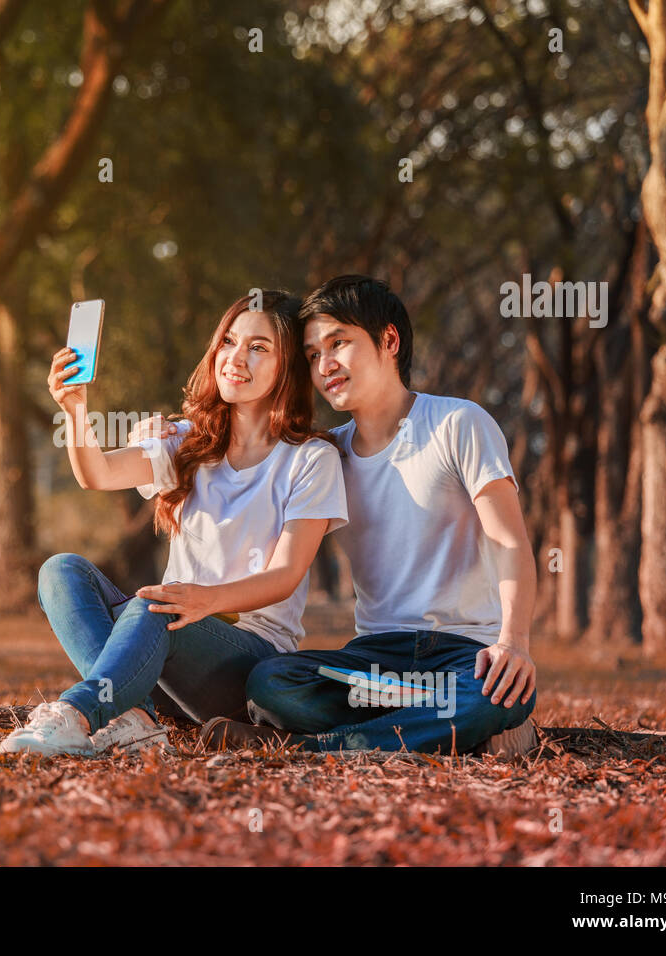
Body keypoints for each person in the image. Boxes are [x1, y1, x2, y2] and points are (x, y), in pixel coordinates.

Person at [180, 276, 538, 756]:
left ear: (389, 341)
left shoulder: (459, 424)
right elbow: (246, 471)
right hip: (372, 663)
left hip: (463, 652)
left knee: (498, 695)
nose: (324, 365)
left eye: (338, 344)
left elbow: (510, 541)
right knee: (272, 681)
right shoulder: (327, 456)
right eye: (311, 355)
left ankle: (312, 749)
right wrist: (182, 433)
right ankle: (433, 728)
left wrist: (513, 642)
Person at [0, 290, 349, 756]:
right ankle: (137, 716)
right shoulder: (188, 442)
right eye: (227, 341)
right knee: (60, 570)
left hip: (245, 661)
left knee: (156, 607)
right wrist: (75, 408)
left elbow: (284, 577)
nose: (235, 358)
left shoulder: (310, 459)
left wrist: (203, 601)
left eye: (258, 347)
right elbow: (97, 474)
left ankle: (75, 714)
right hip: (163, 644)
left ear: (288, 367)